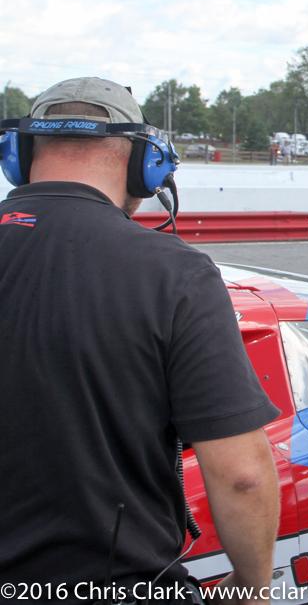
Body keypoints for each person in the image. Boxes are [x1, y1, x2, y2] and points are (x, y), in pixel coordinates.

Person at [0, 77, 281, 603]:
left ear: (18, 154)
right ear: (145, 165)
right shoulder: (175, 275)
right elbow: (242, 475)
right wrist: (250, 587)